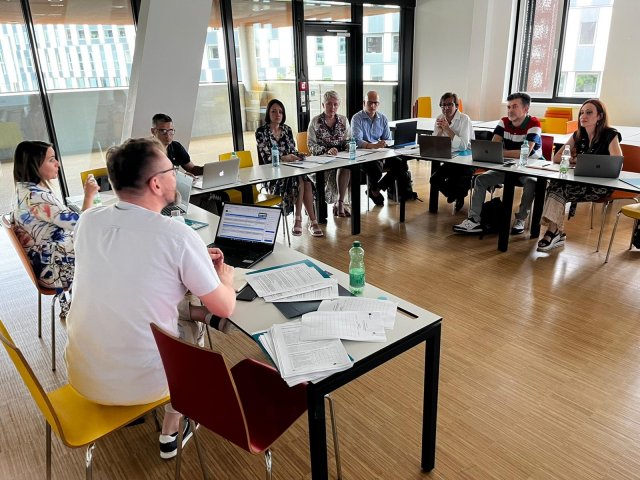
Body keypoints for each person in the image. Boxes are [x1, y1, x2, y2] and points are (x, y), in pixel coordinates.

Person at [64, 138, 236, 460]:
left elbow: (130, 269)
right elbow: (225, 306)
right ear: (156, 184)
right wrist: (224, 278)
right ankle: (175, 419)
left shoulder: (87, 221)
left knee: (156, 302)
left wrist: (192, 260)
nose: (176, 175)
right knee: (194, 323)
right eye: (172, 170)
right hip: (144, 384)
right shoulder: (177, 236)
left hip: (84, 376)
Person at [12, 140, 99, 319]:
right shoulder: (37, 197)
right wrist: (89, 195)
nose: (57, 163)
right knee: (110, 252)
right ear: (35, 165)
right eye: (51, 159)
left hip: (46, 263)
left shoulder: (23, 190)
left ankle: (87, 308)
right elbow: (81, 224)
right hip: (54, 271)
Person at [537, 98, 622, 252]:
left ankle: (553, 232)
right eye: (582, 112)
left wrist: (579, 161)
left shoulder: (610, 135)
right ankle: (554, 232)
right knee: (555, 184)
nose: (583, 116)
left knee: (558, 187)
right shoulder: (578, 134)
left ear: (599, 116)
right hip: (578, 182)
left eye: (589, 112)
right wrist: (574, 160)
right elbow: (557, 157)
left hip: (600, 186)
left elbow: (617, 163)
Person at [453, 92, 541, 235]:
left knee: (532, 182)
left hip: (528, 168)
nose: (510, 110)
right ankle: (474, 220)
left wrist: (502, 152)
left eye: (515, 106)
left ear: (526, 109)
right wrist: (505, 152)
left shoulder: (534, 123)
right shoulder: (504, 122)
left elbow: (524, 153)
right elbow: (493, 147)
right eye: (508, 107)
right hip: (507, 166)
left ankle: (520, 219)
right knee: (481, 179)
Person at [255, 99, 323, 237]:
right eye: (274, 111)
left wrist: (299, 155)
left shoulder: (287, 129)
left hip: (291, 171)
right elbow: (267, 158)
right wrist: (284, 158)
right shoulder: (261, 132)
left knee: (305, 180)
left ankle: (306, 221)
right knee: (301, 180)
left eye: (280, 112)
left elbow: (292, 151)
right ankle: (305, 220)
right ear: (268, 113)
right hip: (273, 177)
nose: (277, 114)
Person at [351, 90, 409, 206]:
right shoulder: (357, 118)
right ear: (364, 103)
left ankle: (376, 189)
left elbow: (387, 139)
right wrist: (373, 146)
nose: (373, 106)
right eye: (370, 102)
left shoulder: (382, 118)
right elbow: (357, 140)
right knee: (376, 170)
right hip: (363, 155)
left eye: (375, 103)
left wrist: (383, 144)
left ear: (378, 104)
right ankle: (374, 189)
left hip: (381, 153)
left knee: (402, 165)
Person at [307, 90, 352, 217]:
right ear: (323, 105)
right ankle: (335, 204)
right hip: (321, 161)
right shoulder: (315, 121)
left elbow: (349, 140)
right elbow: (311, 145)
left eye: (335, 104)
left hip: (341, 158)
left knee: (349, 168)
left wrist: (349, 147)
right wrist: (326, 150)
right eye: (329, 104)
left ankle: (340, 203)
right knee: (339, 169)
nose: (332, 107)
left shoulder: (343, 120)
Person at [429, 92, 476, 212]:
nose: (446, 108)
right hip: (450, 157)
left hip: (466, 159)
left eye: (449, 104)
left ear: (456, 105)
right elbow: (434, 143)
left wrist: (447, 129)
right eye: (443, 105)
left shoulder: (464, 119)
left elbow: (463, 146)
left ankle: (458, 194)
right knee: (434, 179)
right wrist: (440, 131)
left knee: (456, 178)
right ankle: (455, 194)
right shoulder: (440, 118)